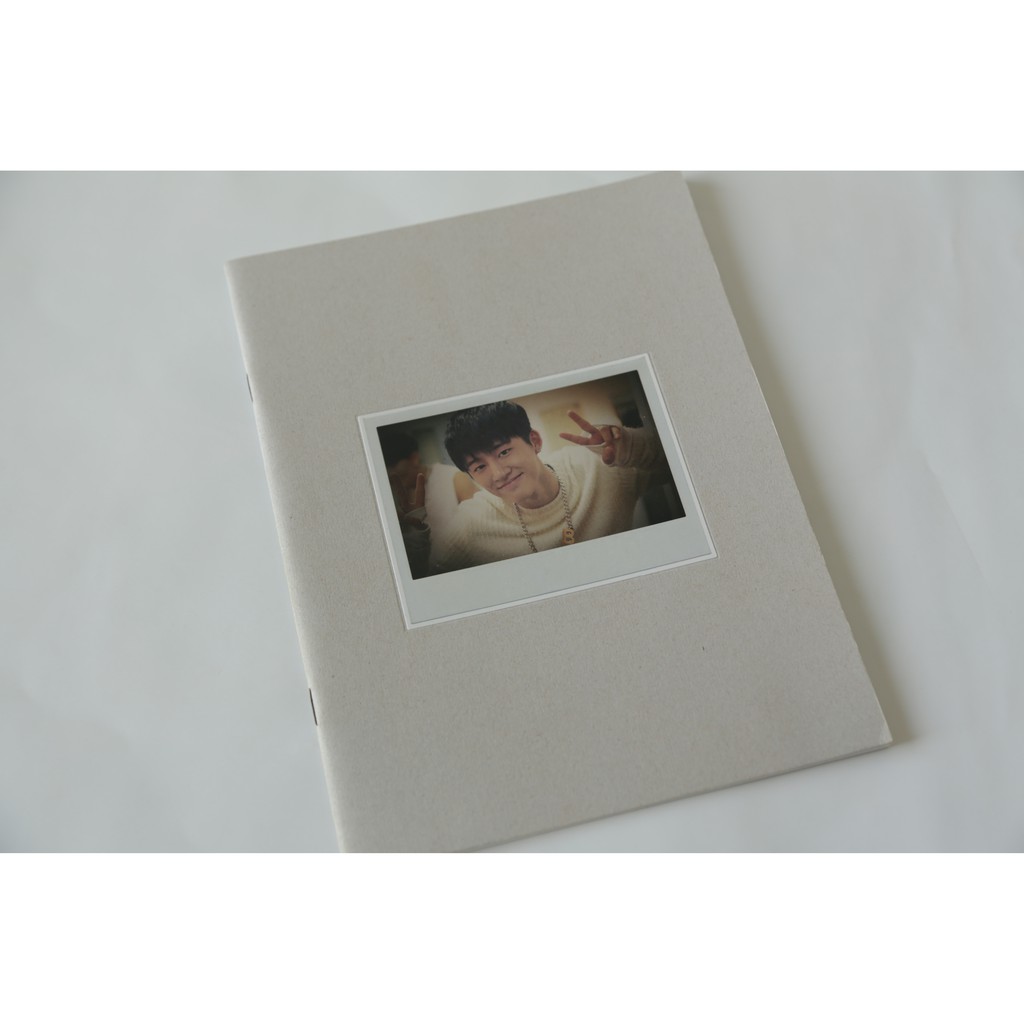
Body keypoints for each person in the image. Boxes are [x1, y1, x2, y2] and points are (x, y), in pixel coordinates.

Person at [420, 400, 669, 573]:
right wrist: (413, 541)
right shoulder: (472, 522)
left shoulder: (597, 468)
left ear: (535, 442)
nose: (498, 474)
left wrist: (631, 448)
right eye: (479, 467)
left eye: (504, 452)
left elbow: (676, 465)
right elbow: (430, 578)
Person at [379, 430, 475, 576]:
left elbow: (478, 528)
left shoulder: (453, 477)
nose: (389, 476)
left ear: (414, 458)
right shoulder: (394, 496)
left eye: (391, 466)